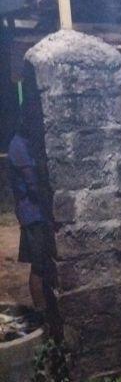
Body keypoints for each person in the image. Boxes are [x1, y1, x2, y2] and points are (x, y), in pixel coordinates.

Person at [8, 123, 56, 320]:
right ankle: (41, 313)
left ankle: (44, 310)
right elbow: (32, 185)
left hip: (33, 213)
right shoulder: (19, 145)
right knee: (39, 265)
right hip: (33, 214)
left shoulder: (22, 142)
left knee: (42, 263)